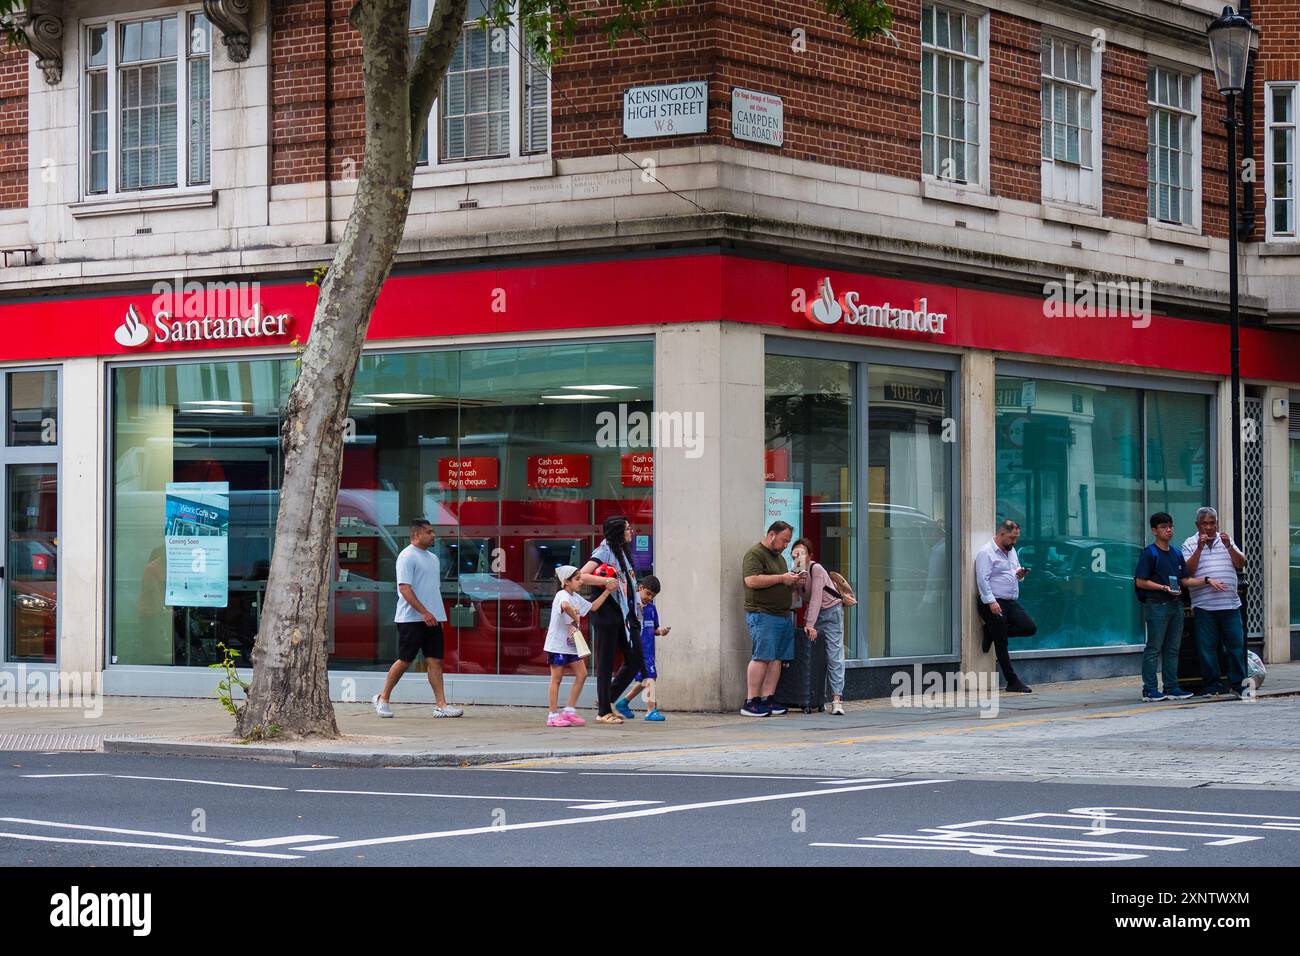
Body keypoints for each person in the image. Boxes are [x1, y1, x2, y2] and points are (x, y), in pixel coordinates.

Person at [372, 519, 463, 718]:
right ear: (416, 535)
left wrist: (433, 613)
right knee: (405, 660)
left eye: (433, 531)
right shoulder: (406, 557)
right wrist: (423, 612)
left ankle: (441, 705)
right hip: (410, 619)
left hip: (434, 618)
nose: (433, 535)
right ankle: (383, 698)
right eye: (429, 532)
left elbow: (430, 588)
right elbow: (404, 588)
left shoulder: (432, 558)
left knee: (435, 661)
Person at [580, 515, 644, 724]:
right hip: (606, 611)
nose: (631, 532)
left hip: (624, 613)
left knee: (636, 659)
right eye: (627, 528)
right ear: (618, 532)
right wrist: (606, 580)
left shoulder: (621, 552)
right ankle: (603, 712)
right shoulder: (604, 551)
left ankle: (606, 700)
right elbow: (582, 575)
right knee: (606, 661)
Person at [1133, 512, 1204, 702]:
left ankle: (1171, 686)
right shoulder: (1150, 553)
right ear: (1154, 530)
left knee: (1173, 648)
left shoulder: (1176, 553)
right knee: (1154, 647)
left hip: (1175, 604)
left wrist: (1205, 581)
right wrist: (1163, 587)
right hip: (1157, 605)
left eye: (1170, 526)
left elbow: (1184, 579)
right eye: (1164, 527)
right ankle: (1149, 689)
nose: (1169, 530)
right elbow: (1140, 581)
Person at [1181, 506, 1248, 697]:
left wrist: (1228, 546)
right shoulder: (1190, 543)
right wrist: (1200, 548)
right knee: (1207, 649)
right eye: (1205, 523)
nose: (1209, 527)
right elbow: (1188, 571)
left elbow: (1241, 563)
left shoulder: (1225, 540)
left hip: (1230, 604)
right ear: (1197, 525)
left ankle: (1239, 685)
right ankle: (1212, 686)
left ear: (1216, 524)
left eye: (1212, 523)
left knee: (1236, 646)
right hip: (1205, 606)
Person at [543, 565, 618, 727]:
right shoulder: (561, 595)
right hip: (557, 645)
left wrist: (607, 591)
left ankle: (569, 711)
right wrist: (574, 617)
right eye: (577, 579)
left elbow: (593, 607)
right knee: (556, 679)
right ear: (566, 582)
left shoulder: (576, 597)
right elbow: (564, 606)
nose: (581, 581)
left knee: (582, 674)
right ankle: (553, 715)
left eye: (580, 578)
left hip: (571, 645)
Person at [741, 520, 802, 717]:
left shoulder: (780, 559)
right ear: (772, 535)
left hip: (781, 614)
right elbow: (751, 580)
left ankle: (768, 698)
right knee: (762, 656)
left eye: (788, 542)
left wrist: (794, 581)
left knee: (777, 658)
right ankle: (751, 701)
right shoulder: (755, 554)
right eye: (784, 540)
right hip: (763, 613)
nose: (786, 545)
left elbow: (783, 582)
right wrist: (782, 578)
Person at [974, 519, 1034, 693]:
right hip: (993, 602)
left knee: (1029, 627)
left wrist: (1020, 574)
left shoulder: (1012, 551)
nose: (1014, 542)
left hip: (1009, 602)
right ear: (1001, 534)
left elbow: (1014, 574)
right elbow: (982, 579)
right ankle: (1012, 681)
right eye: (1012, 538)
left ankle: (990, 631)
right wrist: (991, 602)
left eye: (1016, 538)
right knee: (1001, 642)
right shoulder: (986, 553)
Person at [791, 538, 845, 716]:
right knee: (813, 657)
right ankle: (814, 696)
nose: (798, 555)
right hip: (813, 615)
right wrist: (794, 584)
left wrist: (809, 624)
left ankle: (837, 699)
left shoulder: (817, 569)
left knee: (833, 654)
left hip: (830, 612)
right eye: (795, 552)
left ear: (810, 556)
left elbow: (816, 598)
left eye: (802, 553)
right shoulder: (796, 571)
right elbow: (795, 602)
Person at [615, 575, 671, 721]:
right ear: (640, 588)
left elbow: (654, 628)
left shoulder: (652, 609)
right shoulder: (632, 606)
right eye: (648, 594)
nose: (649, 598)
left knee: (644, 681)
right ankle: (650, 710)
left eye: (653, 596)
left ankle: (623, 703)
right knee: (651, 678)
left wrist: (661, 631)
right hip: (639, 649)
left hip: (649, 648)